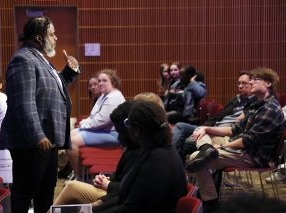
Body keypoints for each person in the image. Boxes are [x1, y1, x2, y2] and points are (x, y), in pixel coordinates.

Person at [0, 16, 81, 213]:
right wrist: (37, 135)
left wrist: (70, 71)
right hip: (32, 143)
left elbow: (51, 91)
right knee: (24, 195)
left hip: (47, 141)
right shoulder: (23, 59)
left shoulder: (40, 58)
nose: (56, 38)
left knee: (45, 193)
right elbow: (23, 103)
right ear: (39, 37)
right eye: (52, 34)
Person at [186, 67, 285, 212]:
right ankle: (207, 150)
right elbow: (233, 130)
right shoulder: (255, 105)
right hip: (240, 147)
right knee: (200, 131)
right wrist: (206, 129)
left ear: (268, 84)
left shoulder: (270, 109)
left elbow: (247, 141)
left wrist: (221, 148)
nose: (251, 82)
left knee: (196, 157)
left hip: (252, 155)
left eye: (255, 79)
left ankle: (210, 202)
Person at [51, 101, 139, 210]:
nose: (119, 138)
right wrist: (107, 179)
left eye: (120, 132)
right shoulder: (133, 149)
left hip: (117, 197)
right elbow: (121, 177)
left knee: (72, 187)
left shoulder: (143, 154)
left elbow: (132, 191)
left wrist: (107, 186)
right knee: (71, 187)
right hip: (114, 193)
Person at [110, 101, 188, 213]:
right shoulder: (157, 151)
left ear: (136, 131)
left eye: (128, 124)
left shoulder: (158, 161)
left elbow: (131, 210)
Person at [172, 70, 255, 164]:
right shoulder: (236, 99)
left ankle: (175, 170)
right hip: (212, 127)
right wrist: (203, 127)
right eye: (239, 83)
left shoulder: (254, 104)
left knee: (181, 142)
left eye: (244, 83)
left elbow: (238, 129)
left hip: (222, 134)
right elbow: (218, 116)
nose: (240, 86)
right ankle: (177, 170)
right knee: (180, 126)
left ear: (253, 84)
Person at [67, 69, 125, 179]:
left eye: (104, 80)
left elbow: (102, 121)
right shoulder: (105, 95)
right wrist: (85, 123)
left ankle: (79, 177)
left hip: (113, 134)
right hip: (103, 130)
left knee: (71, 142)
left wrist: (84, 125)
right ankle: (78, 173)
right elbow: (94, 116)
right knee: (70, 134)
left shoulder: (114, 96)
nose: (100, 83)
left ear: (113, 82)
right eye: (99, 81)